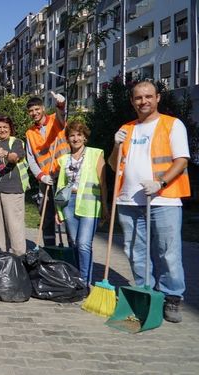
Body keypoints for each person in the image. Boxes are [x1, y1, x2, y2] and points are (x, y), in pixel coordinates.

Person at [109, 80, 190, 323]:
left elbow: (182, 160)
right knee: (136, 252)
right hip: (129, 201)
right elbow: (114, 165)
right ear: (132, 101)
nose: (143, 101)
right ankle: (147, 293)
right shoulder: (127, 128)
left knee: (168, 251)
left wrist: (160, 183)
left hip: (164, 199)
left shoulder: (172, 125)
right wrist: (116, 144)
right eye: (138, 98)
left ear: (157, 98)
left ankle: (172, 296)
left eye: (148, 96)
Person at [55, 121, 107, 285]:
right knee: (76, 244)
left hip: (90, 205)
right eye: (72, 135)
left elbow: (103, 182)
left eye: (79, 135)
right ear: (68, 139)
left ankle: (85, 282)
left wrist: (105, 207)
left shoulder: (96, 154)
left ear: (85, 137)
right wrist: (59, 210)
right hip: (69, 205)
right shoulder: (63, 159)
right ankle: (77, 278)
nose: (75, 138)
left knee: (84, 244)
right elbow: (60, 187)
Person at [25, 92, 68, 247]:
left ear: (43, 108)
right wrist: (41, 176)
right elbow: (31, 158)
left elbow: (62, 115)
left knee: (66, 215)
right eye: (31, 111)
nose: (34, 113)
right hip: (46, 179)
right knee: (46, 217)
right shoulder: (30, 133)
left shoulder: (55, 120)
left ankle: (72, 252)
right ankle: (50, 250)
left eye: (37, 109)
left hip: (64, 177)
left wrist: (61, 104)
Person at [0, 115, 29, 255]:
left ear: (10, 129)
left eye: (5, 127)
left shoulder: (16, 142)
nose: (2, 130)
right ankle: (0, 261)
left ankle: (19, 262)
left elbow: (15, 157)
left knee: (15, 230)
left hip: (12, 192)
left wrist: (6, 154)